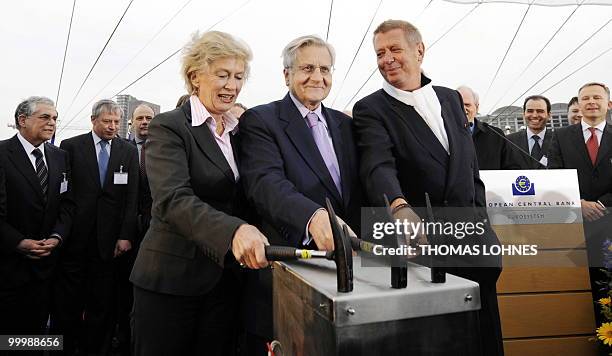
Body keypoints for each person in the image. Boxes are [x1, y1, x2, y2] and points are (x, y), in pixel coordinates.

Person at [352, 20, 503, 355]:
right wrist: (398, 206)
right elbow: (378, 165)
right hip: (422, 254)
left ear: (419, 50)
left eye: (394, 49)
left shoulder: (450, 99)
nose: (386, 59)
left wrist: (484, 230)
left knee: (486, 340)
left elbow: (470, 171)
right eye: (379, 53)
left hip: (476, 253)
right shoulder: (370, 109)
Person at [130, 31, 269, 356]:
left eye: (237, 77)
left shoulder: (239, 133)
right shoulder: (170, 127)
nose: (231, 86)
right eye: (222, 75)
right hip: (172, 282)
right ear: (195, 77)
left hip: (226, 284)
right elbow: (173, 199)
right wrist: (234, 231)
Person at [238, 35, 362, 355]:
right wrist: (313, 217)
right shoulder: (261, 120)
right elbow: (265, 184)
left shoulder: (344, 125)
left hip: (346, 278)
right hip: (288, 277)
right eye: (307, 68)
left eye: (325, 69)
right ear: (286, 74)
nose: (317, 77)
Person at [53, 99, 139, 355]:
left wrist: (125, 235)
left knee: (102, 303)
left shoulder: (127, 150)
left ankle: (96, 349)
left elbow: (131, 197)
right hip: (76, 238)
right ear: (93, 121)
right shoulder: (71, 146)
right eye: (107, 121)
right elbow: (64, 193)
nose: (113, 126)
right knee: (69, 302)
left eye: (116, 122)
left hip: (110, 242)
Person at [0, 97, 71, 335]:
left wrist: (57, 236)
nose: (52, 123)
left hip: (50, 267)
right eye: (44, 117)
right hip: (10, 268)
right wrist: (18, 242)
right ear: (22, 120)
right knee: (12, 336)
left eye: (54, 118)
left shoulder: (60, 156)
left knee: (40, 333)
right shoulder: (2, 154)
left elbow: (67, 204)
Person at [548, 82, 612, 329]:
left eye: (597, 97)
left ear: (608, 103)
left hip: (609, 222)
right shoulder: (562, 137)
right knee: (579, 288)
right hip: (574, 226)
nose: (591, 102)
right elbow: (553, 176)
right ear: (579, 103)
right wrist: (579, 204)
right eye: (585, 98)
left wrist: (599, 204)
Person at [457, 85, 519, 170]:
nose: (463, 109)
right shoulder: (442, 135)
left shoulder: (496, 135)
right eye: (458, 104)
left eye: (467, 105)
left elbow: (512, 168)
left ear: (477, 107)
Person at [506, 95, 554, 169]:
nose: (534, 115)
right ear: (523, 114)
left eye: (540, 111)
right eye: (530, 111)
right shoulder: (509, 141)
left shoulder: (559, 140)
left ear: (549, 115)